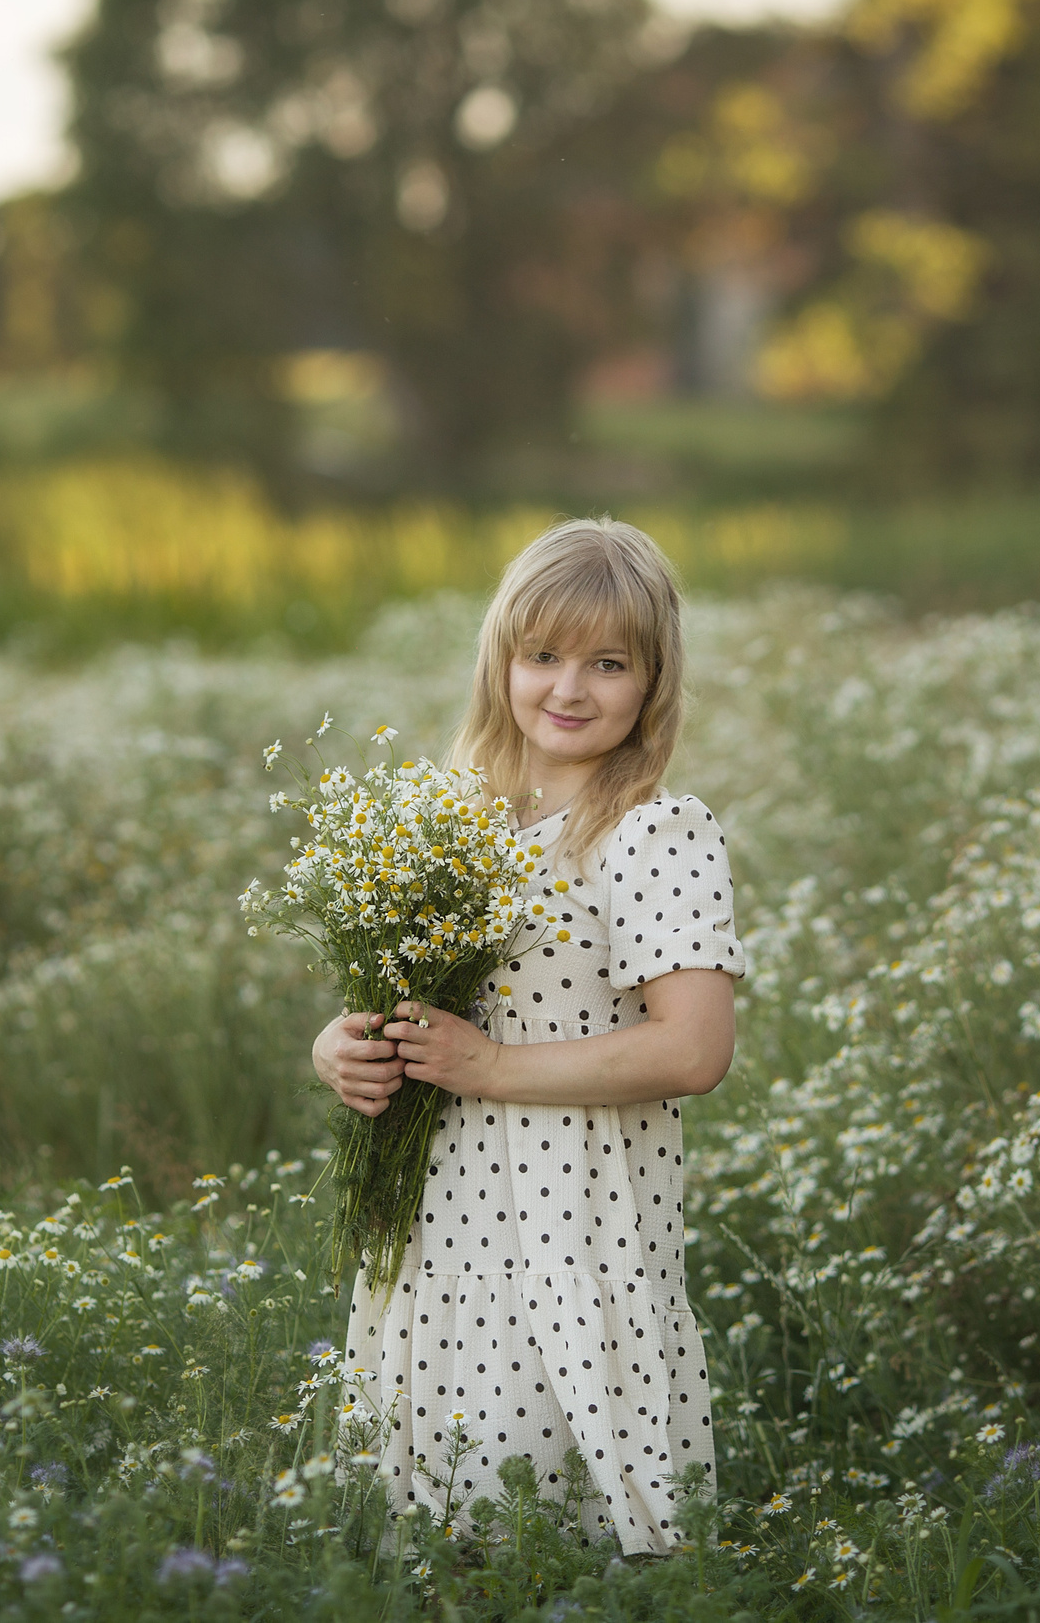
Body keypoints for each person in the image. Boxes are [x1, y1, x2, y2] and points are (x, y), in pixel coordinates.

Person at [308, 518, 746, 1553]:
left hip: (571, 1218)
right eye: (541, 656)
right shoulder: (455, 819)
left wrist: (494, 1067)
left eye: (608, 663)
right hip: (441, 1217)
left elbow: (694, 1049)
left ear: (652, 682)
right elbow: (407, 1006)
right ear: (500, 661)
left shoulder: (653, 831)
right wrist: (344, 1047)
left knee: (552, 1495)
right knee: (444, 1507)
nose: (569, 688)